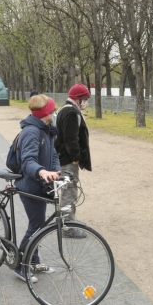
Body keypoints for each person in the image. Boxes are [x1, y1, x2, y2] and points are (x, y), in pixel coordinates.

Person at [13, 94, 60, 282]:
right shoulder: (32, 131)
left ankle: (34, 261)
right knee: (36, 225)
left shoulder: (46, 130)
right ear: (45, 112)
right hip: (30, 185)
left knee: (39, 224)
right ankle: (19, 265)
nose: (55, 113)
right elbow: (28, 161)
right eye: (53, 110)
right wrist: (41, 172)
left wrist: (56, 171)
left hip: (41, 183)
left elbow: (54, 154)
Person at [54, 83, 92, 238]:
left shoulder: (64, 109)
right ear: (78, 99)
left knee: (67, 191)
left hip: (63, 157)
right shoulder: (71, 112)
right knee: (69, 192)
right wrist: (76, 157)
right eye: (85, 99)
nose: (86, 102)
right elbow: (71, 139)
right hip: (68, 159)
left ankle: (66, 222)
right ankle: (68, 227)